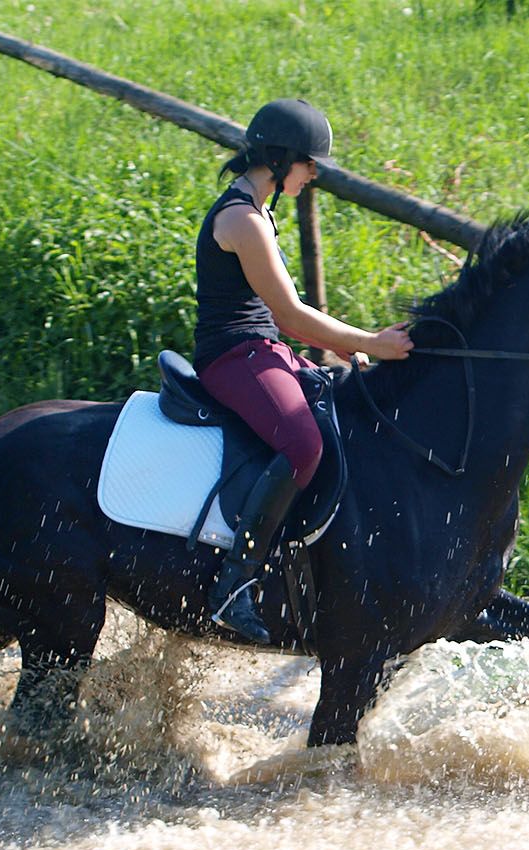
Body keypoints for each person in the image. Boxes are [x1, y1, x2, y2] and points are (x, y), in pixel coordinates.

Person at [195, 98, 413, 645]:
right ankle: (233, 582)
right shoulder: (241, 219)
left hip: (260, 348)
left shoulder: (260, 210)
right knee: (303, 444)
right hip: (232, 357)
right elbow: (291, 314)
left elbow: (284, 317)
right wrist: (369, 342)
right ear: (281, 158)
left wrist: (341, 350)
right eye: (309, 162)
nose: (314, 173)